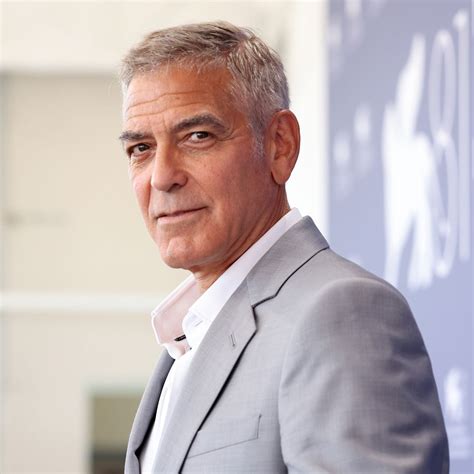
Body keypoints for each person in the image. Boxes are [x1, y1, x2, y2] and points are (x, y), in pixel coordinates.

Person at [120, 21, 449, 474]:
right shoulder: (190, 336)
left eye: (197, 137)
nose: (161, 176)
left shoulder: (341, 314)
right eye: (140, 148)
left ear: (280, 145)